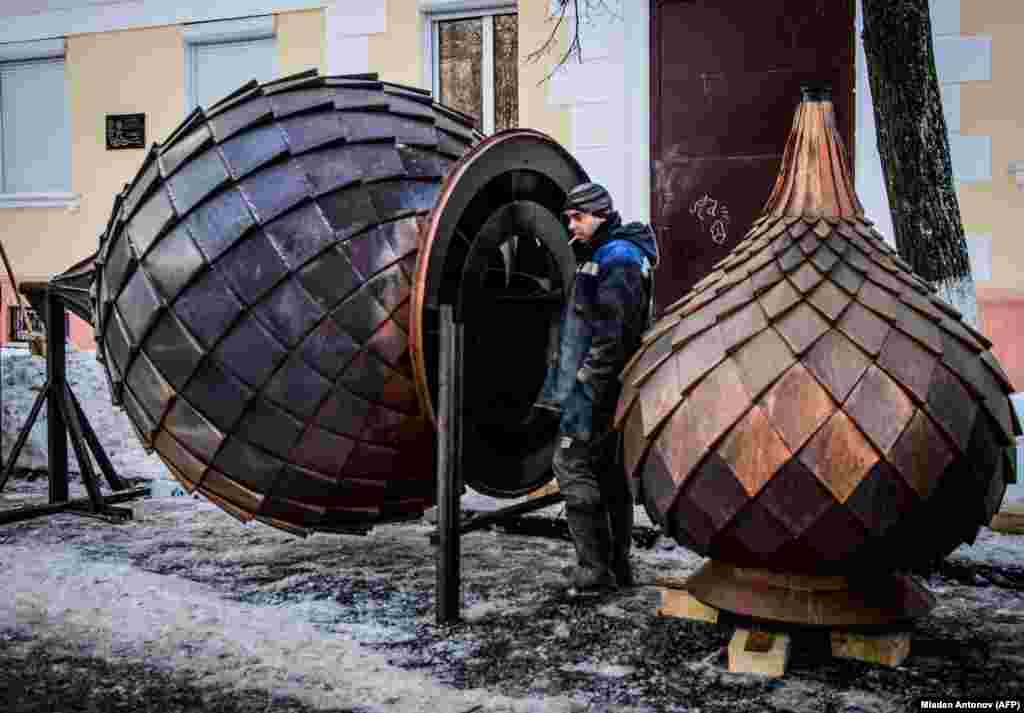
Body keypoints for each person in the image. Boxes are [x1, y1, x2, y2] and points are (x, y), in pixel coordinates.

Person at [531, 182, 659, 594]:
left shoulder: (617, 258)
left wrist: (585, 384)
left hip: (595, 390)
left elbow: (612, 335)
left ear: (601, 214)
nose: (572, 225)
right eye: (569, 217)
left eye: (578, 217)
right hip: (605, 388)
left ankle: (593, 570)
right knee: (608, 473)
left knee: (571, 466)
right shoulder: (612, 254)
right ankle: (617, 567)